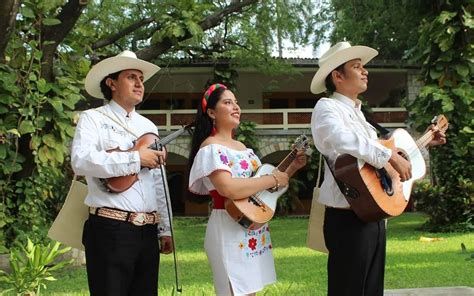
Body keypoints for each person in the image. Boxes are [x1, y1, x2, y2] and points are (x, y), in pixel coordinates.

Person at [310, 42, 447, 296]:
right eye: (356, 67)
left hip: (373, 214)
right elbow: (343, 140)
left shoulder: (362, 117)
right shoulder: (326, 108)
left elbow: (380, 165)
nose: (365, 72)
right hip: (346, 218)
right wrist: (388, 156)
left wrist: (425, 144)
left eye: (364, 67)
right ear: (337, 76)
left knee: (372, 290)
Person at [188, 83, 307, 296]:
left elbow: (264, 189)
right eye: (227, 102)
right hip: (227, 225)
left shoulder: (244, 149)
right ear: (212, 112)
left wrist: (291, 169)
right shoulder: (211, 147)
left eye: (236, 102)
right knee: (234, 290)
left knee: (249, 291)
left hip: (251, 226)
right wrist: (271, 179)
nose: (236, 107)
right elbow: (229, 189)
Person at [71, 50, 173, 296]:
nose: (139, 83)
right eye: (131, 77)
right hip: (110, 227)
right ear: (112, 83)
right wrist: (136, 159)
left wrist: (165, 227)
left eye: (141, 78)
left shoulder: (148, 126)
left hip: (148, 230)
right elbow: (81, 161)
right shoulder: (92, 118)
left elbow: (158, 180)